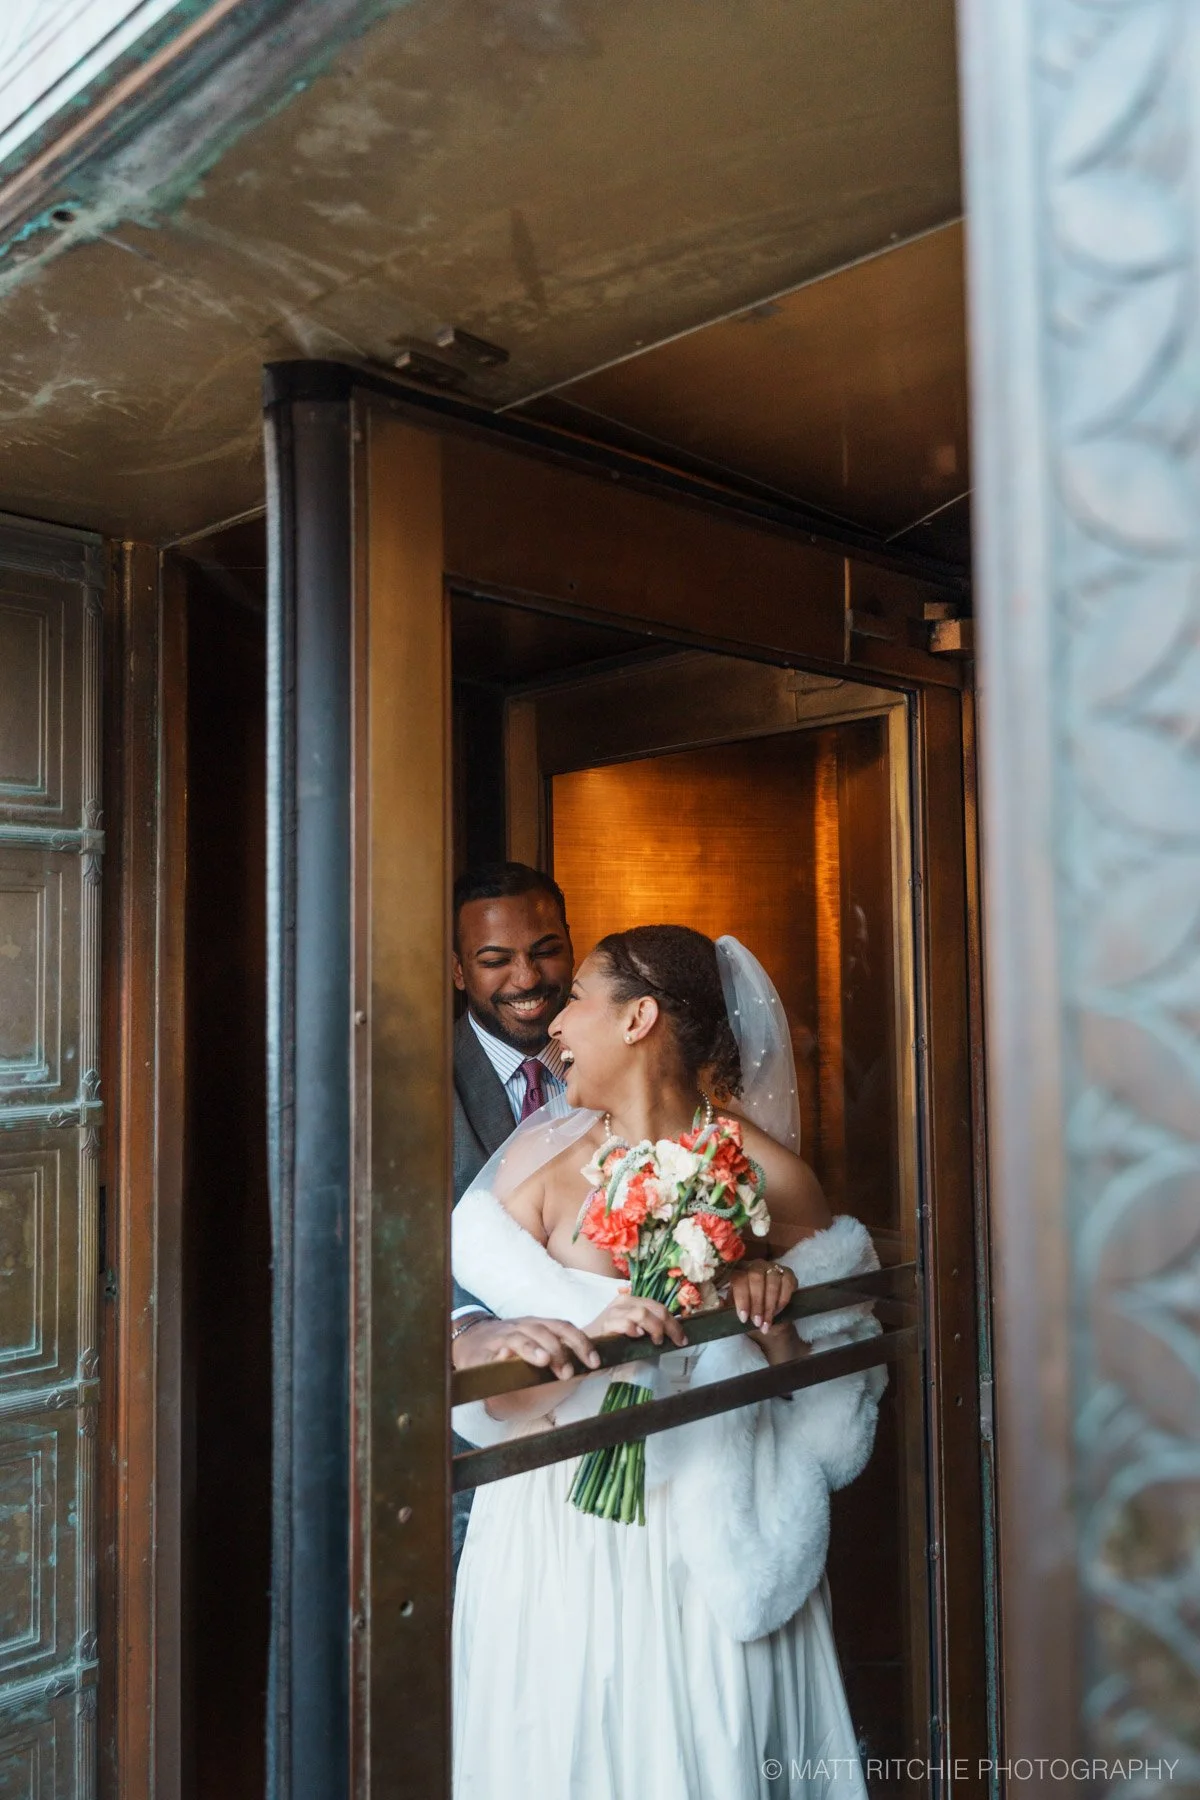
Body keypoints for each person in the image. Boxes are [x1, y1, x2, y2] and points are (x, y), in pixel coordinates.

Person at [451, 925, 885, 1799]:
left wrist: (770, 1313)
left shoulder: (772, 1178)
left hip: (711, 1526)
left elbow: (834, 1410)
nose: (558, 1023)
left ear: (639, 1016)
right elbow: (476, 1366)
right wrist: (504, 1344)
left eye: (577, 996)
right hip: (560, 1526)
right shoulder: (534, 1174)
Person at [448, 862, 603, 1561]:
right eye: (494, 960)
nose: (526, 979)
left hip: (617, 1400)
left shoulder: (612, 1062)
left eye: (544, 950)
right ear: (458, 972)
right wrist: (468, 1328)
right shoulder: (410, 1079)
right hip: (481, 1419)